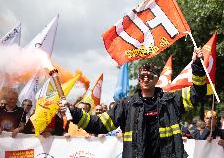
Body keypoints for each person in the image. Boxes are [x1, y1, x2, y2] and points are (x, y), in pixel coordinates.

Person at [60, 48, 206, 158]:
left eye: (150, 76)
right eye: (142, 76)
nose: (146, 78)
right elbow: (99, 124)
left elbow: (197, 93)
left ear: (156, 79)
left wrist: (197, 65)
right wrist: (73, 110)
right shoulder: (126, 105)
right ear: (139, 79)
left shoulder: (170, 101)